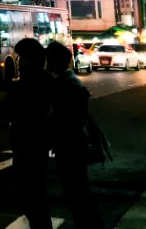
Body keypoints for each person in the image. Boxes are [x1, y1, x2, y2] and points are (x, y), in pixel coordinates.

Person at [45, 41, 104, 228]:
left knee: (77, 193)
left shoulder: (66, 85)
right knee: (78, 192)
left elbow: (70, 120)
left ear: (54, 61)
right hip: (73, 144)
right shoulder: (69, 82)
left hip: (71, 146)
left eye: (48, 59)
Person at [0, 38, 53, 229]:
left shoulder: (26, 84)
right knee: (36, 197)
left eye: (21, 57)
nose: (18, 61)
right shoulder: (47, 80)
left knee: (32, 199)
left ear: (29, 60)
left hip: (27, 145)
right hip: (39, 145)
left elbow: (4, 110)